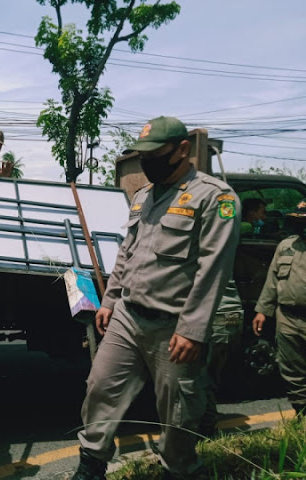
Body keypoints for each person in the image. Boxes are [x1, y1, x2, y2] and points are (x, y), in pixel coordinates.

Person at [73, 116, 240, 480]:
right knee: (99, 388)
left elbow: (215, 268)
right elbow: (127, 253)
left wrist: (193, 329)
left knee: (178, 414)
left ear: (182, 150)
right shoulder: (143, 196)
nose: (147, 162)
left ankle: (178, 471)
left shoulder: (215, 197)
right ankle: (90, 466)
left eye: (156, 154)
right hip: (127, 318)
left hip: (175, 328)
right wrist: (110, 300)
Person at [253, 200, 306, 416]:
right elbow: (273, 280)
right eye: (298, 220)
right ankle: (302, 415)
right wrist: (262, 310)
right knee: (292, 371)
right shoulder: (286, 246)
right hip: (288, 318)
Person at [198, 280, 244, 436]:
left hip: (215, 317)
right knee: (206, 378)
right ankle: (206, 429)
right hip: (224, 316)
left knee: (201, 379)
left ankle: (205, 432)